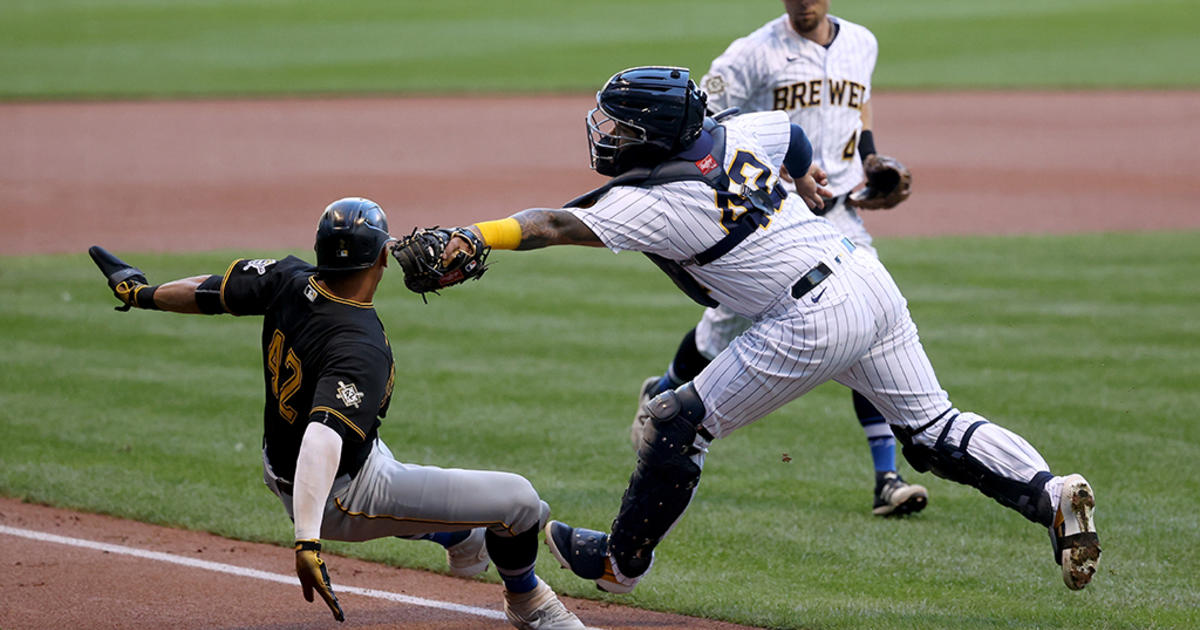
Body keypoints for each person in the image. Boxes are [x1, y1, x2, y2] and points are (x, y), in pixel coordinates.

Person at [433, 67, 1101, 595]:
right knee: (933, 429)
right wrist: (808, 182)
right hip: (864, 275)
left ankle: (618, 564)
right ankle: (1050, 493)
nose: (606, 134)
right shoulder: (734, 131)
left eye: (619, 125)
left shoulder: (660, 202)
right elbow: (793, 135)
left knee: (675, 421)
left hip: (810, 316)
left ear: (654, 133)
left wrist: (472, 234)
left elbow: (553, 224)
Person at [89, 198, 584, 630]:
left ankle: (460, 537)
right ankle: (528, 602)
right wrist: (308, 540)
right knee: (521, 504)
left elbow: (209, 289)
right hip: (334, 492)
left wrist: (143, 294)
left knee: (411, 483)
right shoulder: (359, 348)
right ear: (383, 259)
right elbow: (321, 440)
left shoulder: (287, 277)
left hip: (295, 459)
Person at [629, 0, 926, 517]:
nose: (802, 3)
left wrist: (871, 156)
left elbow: (861, 108)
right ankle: (663, 392)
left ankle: (887, 477)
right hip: (773, 220)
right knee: (719, 329)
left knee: (868, 324)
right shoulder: (752, 53)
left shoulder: (862, 42)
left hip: (837, 216)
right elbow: (701, 113)